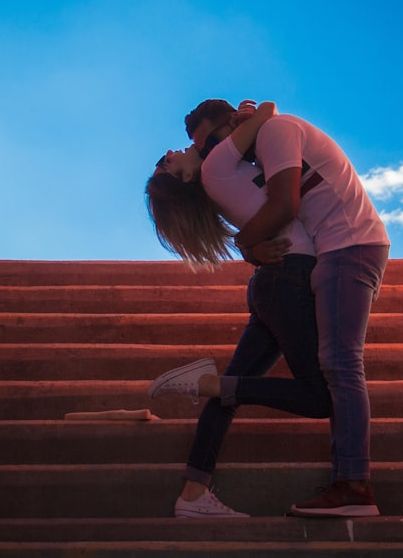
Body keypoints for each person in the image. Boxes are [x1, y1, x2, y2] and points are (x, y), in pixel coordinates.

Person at [184, 98, 390, 518]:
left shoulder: (276, 132)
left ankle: (353, 486)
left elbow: (285, 207)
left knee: (340, 366)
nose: (211, 153)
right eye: (203, 150)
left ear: (231, 123)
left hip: (348, 245)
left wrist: (245, 246)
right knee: (335, 368)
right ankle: (349, 482)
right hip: (341, 247)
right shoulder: (264, 143)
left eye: (211, 142)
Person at [145, 100, 332, 518]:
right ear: (189, 177)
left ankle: (193, 493)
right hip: (288, 278)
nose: (169, 153)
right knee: (320, 397)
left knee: (233, 388)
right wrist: (246, 115)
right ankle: (209, 385)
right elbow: (267, 110)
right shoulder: (214, 168)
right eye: (166, 164)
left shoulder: (216, 171)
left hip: (271, 283)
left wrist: (237, 122)